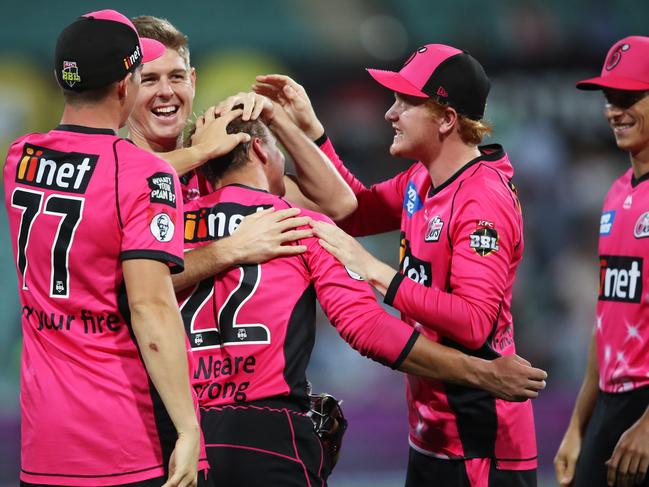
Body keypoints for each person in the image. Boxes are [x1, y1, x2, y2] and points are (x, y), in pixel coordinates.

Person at [180, 109, 547, 486]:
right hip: (271, 434)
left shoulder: (168, 228)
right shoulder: (300, 227)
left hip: (183, 436)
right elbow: (368, 330)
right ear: (260, 150)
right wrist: (482, 373)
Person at [254, 44, 537, 486]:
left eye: (406, 102)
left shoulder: (482, 199)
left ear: (446, 118)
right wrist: (314, 132)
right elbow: (354, 211)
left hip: (480, 439)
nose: (390, 113)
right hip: (433, 430)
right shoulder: (423, 178)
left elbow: (475, 323)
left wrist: (374, 270)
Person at [4, 9, 206, 487]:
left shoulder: (20, 157)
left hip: (45, 442)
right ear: (125, 86)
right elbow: (151, 307)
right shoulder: (143, 176)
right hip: (126, 439)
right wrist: (188, 426)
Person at [126, 15, 356, 293]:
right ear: (125, 89)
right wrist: (229, 250)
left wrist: (276, 118)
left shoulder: (217, 164)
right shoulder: (110, 175)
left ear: (193, 81)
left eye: (177, 77)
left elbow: (339, 205)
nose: (166, 92)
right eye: (149, 80)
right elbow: (130, 287)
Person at [554, 36, 649, 487]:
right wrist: (578, 425)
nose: (614, 110)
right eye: (610, 98)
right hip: (611, 404)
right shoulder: (616, 193)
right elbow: (607, 317)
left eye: (629, 97)